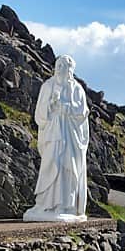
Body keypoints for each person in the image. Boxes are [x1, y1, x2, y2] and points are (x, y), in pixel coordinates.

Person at [24, 55, 90, 222]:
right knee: (51, 162)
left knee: (68, 168)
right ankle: (45, 204)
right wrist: (50, 106)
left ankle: (65, 205)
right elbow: (39, 113)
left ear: (70, 70)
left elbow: (83, 112)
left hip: (69, 135)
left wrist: (66, 108)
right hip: (53, 133)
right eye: (57, 65)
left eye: (63, 66)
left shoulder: (77, 89)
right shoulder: (48, 85)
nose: (59, 68)